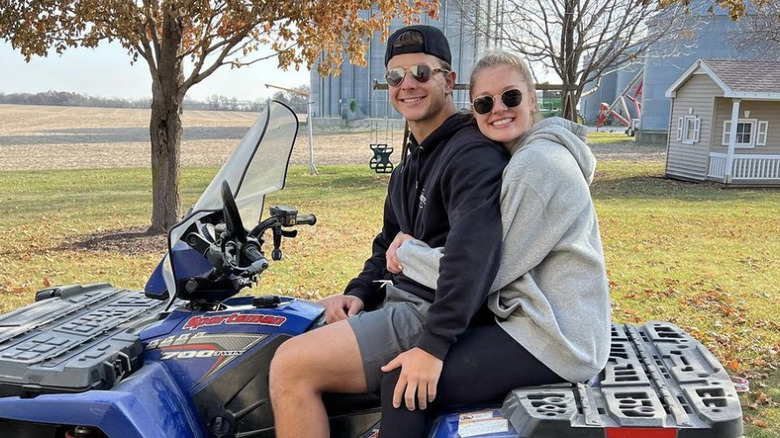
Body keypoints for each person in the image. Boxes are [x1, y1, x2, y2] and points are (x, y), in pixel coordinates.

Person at [268, 26, 509, 437]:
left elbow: (473, 258)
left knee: (290, 366)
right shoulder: (410, 165)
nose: (407, 84)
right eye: (396, 77)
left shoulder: (471, 155)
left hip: (431, 311)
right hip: (399, 300)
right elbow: (386, 242)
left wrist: (433, 345)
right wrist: (358, 292)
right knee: (291, 326)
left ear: (449, 81)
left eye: (421, 72)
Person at [378, 50, 612, 437]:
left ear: (533, 99)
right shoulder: (529, 154)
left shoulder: (535, 168)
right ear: (473, 110)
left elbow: (486, 268)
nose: (498, 109)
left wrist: (406, 254)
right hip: (542, 322)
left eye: (511, 97)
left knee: (403, 385)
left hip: (557, 341)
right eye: (484, 102)